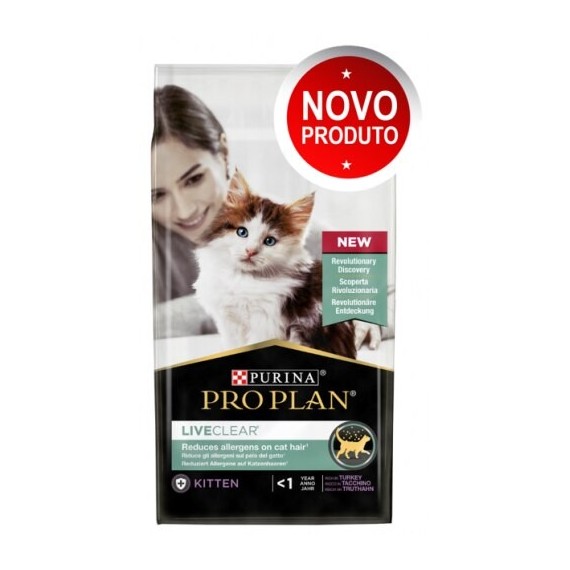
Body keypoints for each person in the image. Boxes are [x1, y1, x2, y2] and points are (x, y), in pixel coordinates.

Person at [151, 84, 382, 348]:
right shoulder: (151, 247)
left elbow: (386, 297)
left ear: (223, 153)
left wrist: (365, 314)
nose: (184, 210)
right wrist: (228, 299)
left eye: (194, 179)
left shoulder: (300, 235)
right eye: (156, 195)